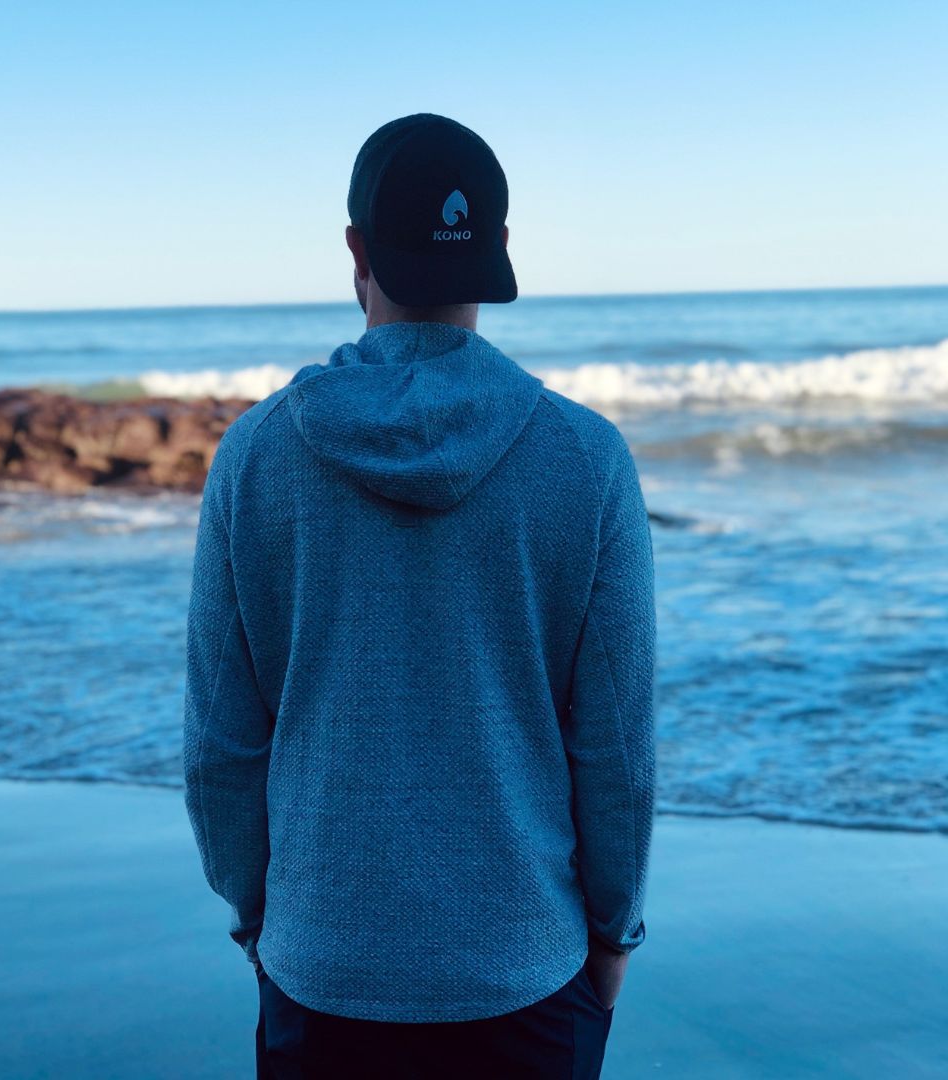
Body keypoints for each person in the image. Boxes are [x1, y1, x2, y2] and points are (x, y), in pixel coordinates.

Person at [183, 112, 657, 1079]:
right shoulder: (586, 459)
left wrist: (260, 919)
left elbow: (222, 743)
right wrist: (612, 937)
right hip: (527, 976)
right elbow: (617, 744)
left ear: (355, 250)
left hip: (319, 971)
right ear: (501, 251)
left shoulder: (257, 457)